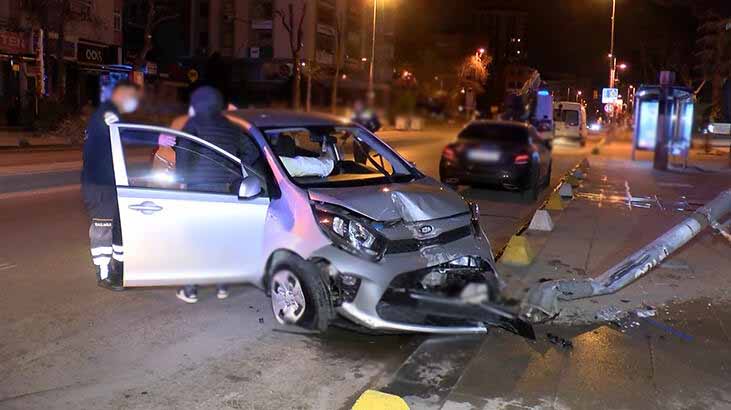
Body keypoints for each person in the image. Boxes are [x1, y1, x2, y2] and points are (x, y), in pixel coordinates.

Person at [82, 80, 175, 291]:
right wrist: (156, 137)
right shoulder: (106, 113)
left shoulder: (109, 113)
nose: (134, 103)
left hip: (111, 182)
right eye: (133, 98)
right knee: (103, 229)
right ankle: (103, 274)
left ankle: (119, 270)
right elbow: (123, 132)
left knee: (118, 228)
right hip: (99, 184)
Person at [174, 86, 260, 304]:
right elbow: (252, 152)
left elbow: (184, 152)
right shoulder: (229, 126)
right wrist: (235, 166)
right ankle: (223, 285)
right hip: (227, 189)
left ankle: (191, 289)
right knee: (221, 238)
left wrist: (181, 180)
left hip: (199, 189)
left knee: (197, 240)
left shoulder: (193, 123)